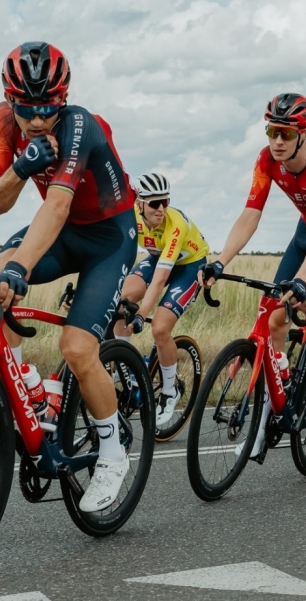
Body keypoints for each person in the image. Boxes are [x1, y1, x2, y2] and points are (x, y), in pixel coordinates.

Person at [0, 41, 137, 512]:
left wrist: (21, 265)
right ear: (10, 100)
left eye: (49, 107)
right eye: (27, 108)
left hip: (109, 236)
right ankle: (23, 383)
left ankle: (111, 453)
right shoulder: (4, 122)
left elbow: (59, 203)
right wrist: (22, 168)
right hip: (65, 230)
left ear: (63, 99)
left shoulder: (80, 126)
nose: (38, 119)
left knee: (77, 346)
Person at [199, 93, 306, 458]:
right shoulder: (266, 160)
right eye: (272, 131)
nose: (277, 141)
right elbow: (250, 215)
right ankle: (271, 408)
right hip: (305, 231)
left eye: (286, 134)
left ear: (304, 134)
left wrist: (303, 280)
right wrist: (219, 262)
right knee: (273, 312)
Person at [113, 173, 209, 426]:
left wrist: (141, 315)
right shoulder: (131, 217)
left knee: (160, 327)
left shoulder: (175, 224)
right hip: (158, 258)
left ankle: (170, 390)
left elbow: (158, 281)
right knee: (121, 301)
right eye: (155, 203)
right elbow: (114, 257)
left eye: (165, 201)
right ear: (139, 203)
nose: (162, 209)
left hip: (189, 266)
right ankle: (123, 364)